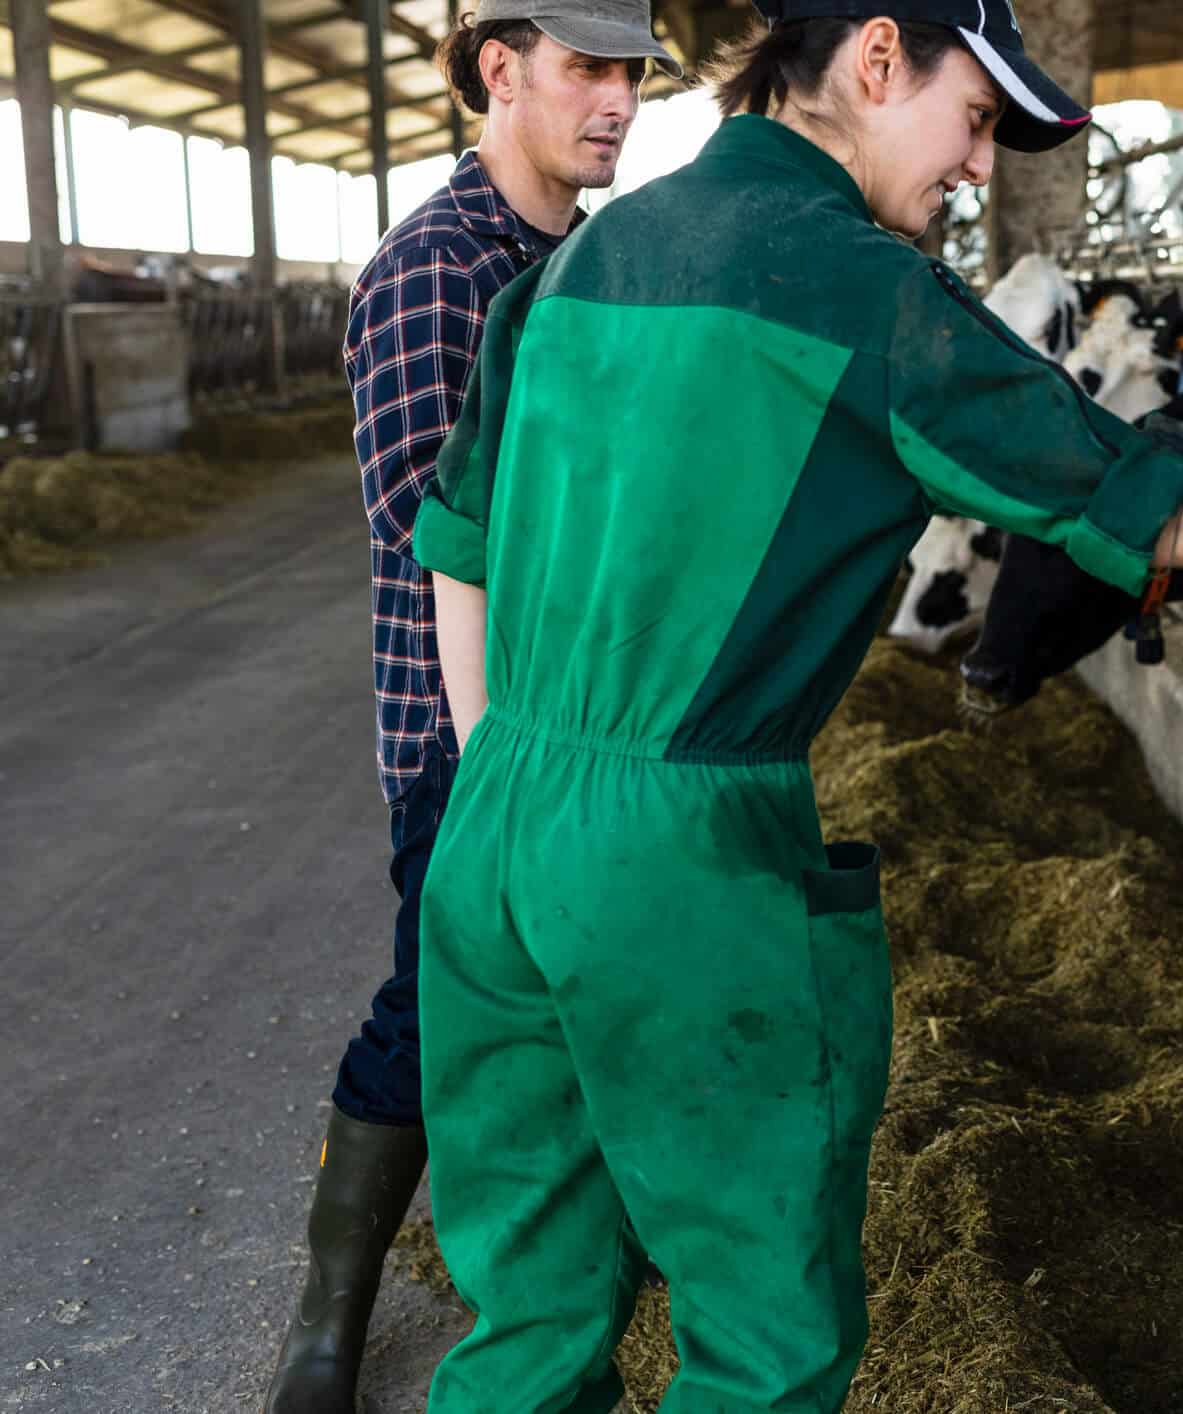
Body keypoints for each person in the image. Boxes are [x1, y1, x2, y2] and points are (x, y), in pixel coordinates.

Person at [407, 2, 1183, 1409]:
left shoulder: (573, 271)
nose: (979, 169)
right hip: (677, 853)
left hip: (494, 822)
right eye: (974, 119)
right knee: (759, 1336)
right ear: (875, 62)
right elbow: (1147, 506)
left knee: (532, 1307)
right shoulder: (861, 288)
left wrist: (500, 773)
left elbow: (458, 546)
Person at [261, 2, 678, 1408]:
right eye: (587, 68)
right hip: (470, 735)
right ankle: (332, 1316)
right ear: (499, 72)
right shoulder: (439, 274)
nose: (617, 99)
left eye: (631, 72)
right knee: (433, 1011)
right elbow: (427, 522)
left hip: (594, 724)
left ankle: (576, 1279)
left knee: (585, 997)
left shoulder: (583, 263)